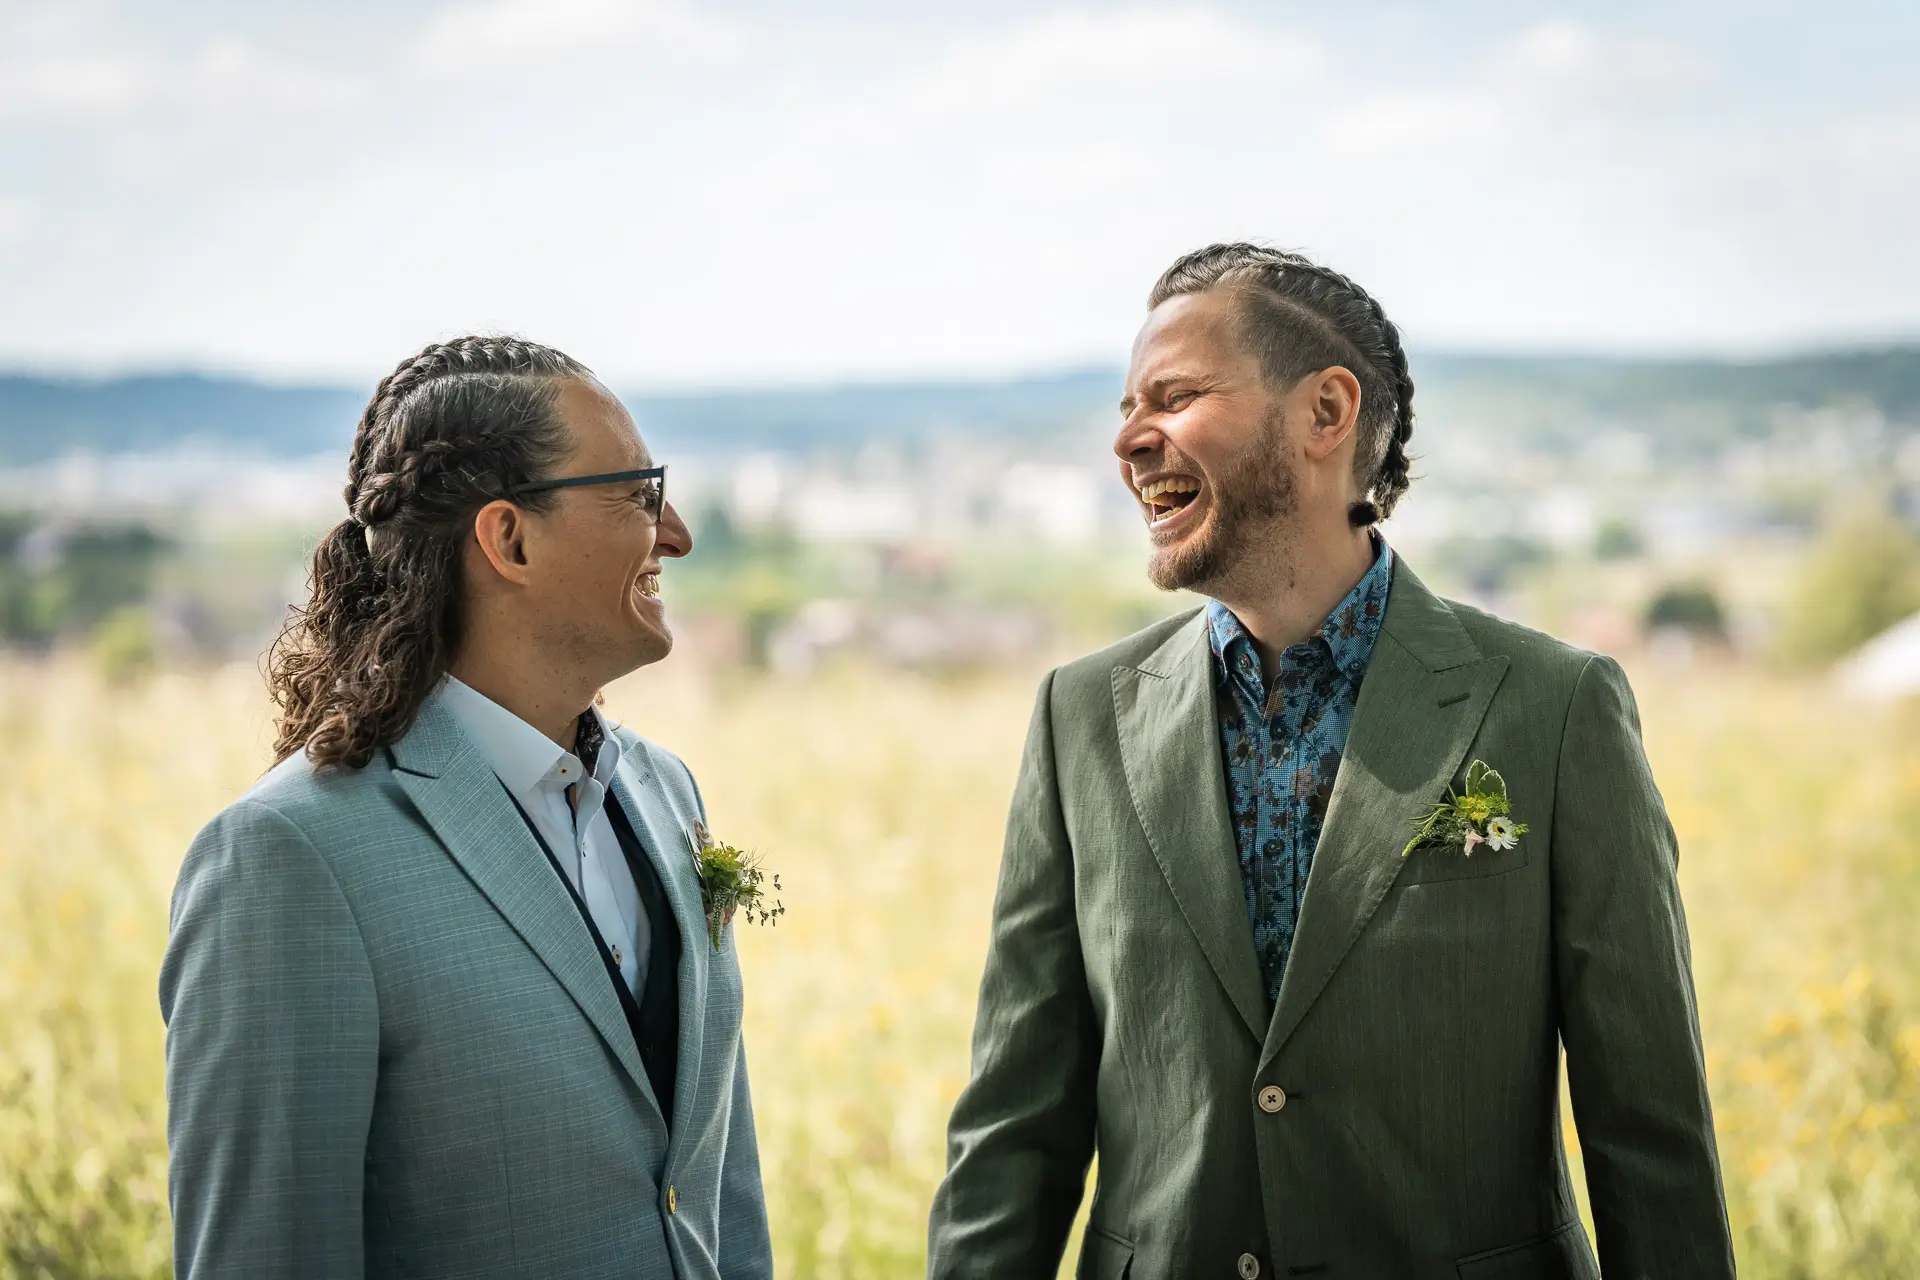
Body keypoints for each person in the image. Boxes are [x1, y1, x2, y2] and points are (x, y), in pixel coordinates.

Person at [927, 244, 1735, 1278]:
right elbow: (1013, 1133)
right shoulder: (1078, 717)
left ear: (1325, 412)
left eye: (1175, 397)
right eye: (1129, 407)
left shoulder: (1557, 708)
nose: (1128, 441)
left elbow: (1651, 1140)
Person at [161, 336, 772, 1278]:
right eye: (638, 494)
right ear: (509, 539)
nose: (677, 533)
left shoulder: (667, 792)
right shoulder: (288, 858)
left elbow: (715, 1193)